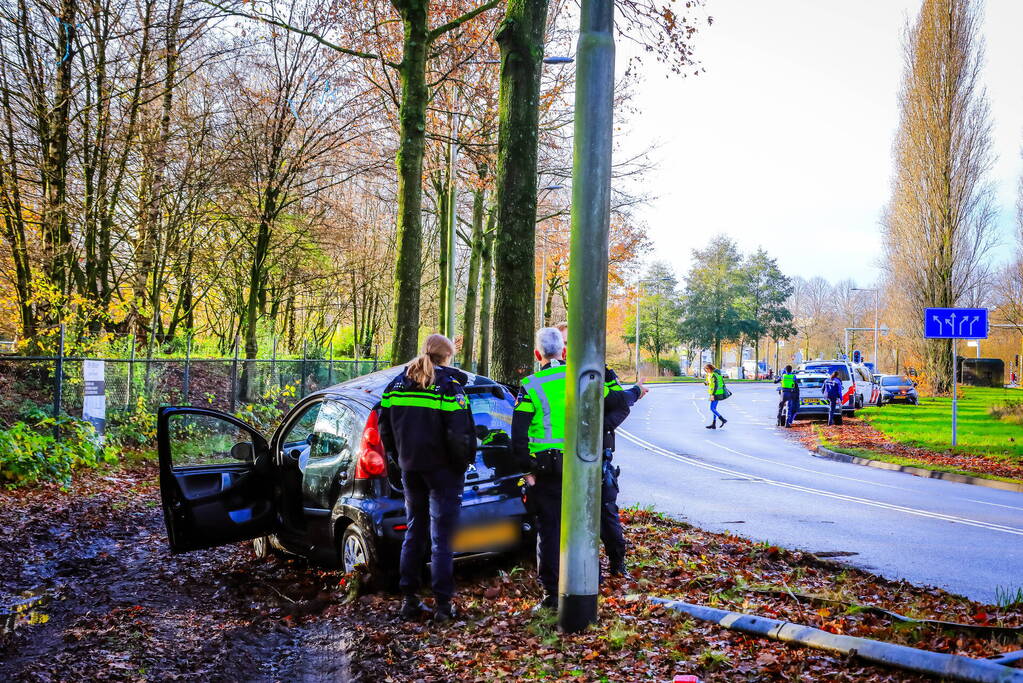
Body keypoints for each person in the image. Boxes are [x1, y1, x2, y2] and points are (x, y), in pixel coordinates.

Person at [378, 334, 476, 623]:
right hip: (443, 471)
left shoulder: (396, 383)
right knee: (442, 539)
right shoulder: (448, 386)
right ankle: (443, 605)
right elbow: (460, 433)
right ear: (447, 357)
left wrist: (399, 458)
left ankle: (409, 600)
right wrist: (463, 463)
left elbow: (385, 428)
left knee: (414, 531)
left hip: (411, 469)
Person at [555, 322, 647, 578]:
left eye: (570, 343)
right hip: (561, 456)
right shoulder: (551, 375)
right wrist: (636, 391)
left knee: (606, 512)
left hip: (598, 454)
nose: (566, 348)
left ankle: (618, 563)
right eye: (562, 343)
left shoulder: (602, 372)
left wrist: (593, 429)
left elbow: (620, 404)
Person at [703, 363, 728, 429]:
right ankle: (714, 424)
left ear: (710, 368)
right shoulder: (711, 374)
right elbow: (711, 383)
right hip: (714, 393)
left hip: (716, 394)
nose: (706, 371)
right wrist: (707, 383)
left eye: (707, 369)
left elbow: (716, 385)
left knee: (712, 408)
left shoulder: (714, 374)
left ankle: (722, 419)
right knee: (714, 408)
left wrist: (713, 395)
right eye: (705, 370)